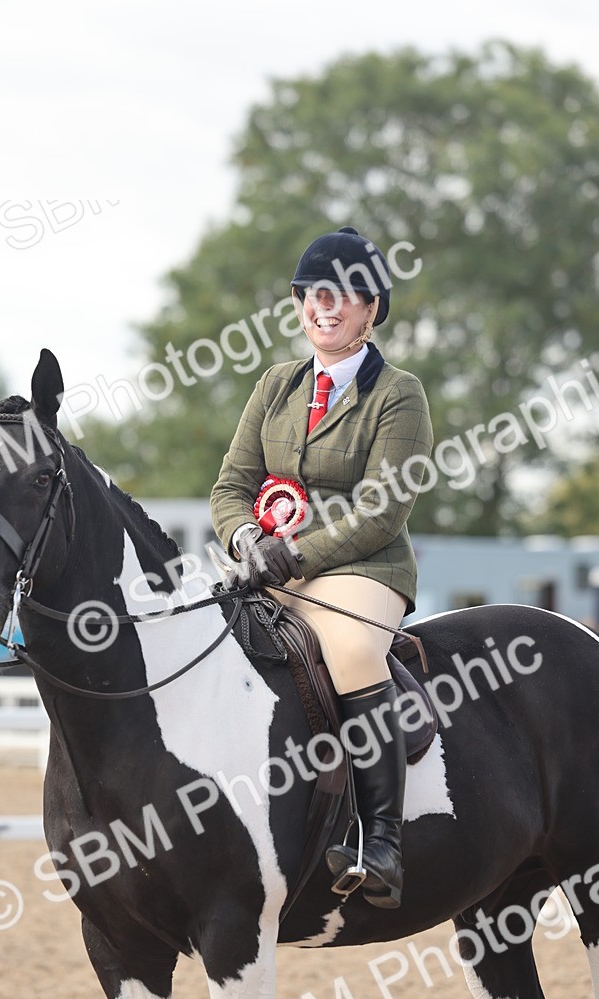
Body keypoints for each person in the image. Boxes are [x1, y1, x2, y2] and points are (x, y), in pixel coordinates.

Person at [210, 226, 433, 908]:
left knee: (351, 649)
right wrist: (249, 540)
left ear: (371, 310)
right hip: (269, 565)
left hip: (364, 568)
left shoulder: (398, 393)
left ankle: (382, 838)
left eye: (346, 296)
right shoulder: (276, 385)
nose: (326, 308)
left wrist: (296, 554)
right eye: (315, 294)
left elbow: (383, 510)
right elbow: (229, 487)